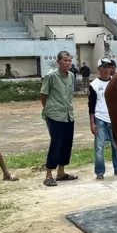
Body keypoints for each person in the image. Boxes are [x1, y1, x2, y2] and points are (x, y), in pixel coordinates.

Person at [40, 51, 78, 186]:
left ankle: (61, 172)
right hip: (55, 115)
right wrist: (49, 110)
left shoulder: (72, 76)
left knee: (67, 144)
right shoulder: (51, 76)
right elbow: (43, 95)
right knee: (56, 144)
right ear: (58, 62)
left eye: (69, 60)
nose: (67, 63)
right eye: (65, 60)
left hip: (68, 115)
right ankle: (48, 174)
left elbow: (70, 95)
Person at [90, 58, 117, 180]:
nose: (107, 70)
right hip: (100, 118)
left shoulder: (115, 83)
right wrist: (92, 123)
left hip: (113, 119)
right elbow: (91, 106)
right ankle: (100, 172)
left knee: (116, 146)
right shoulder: (94, 85)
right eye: (104, 67)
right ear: (99, 69)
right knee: (99, 147)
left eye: (109, 67)